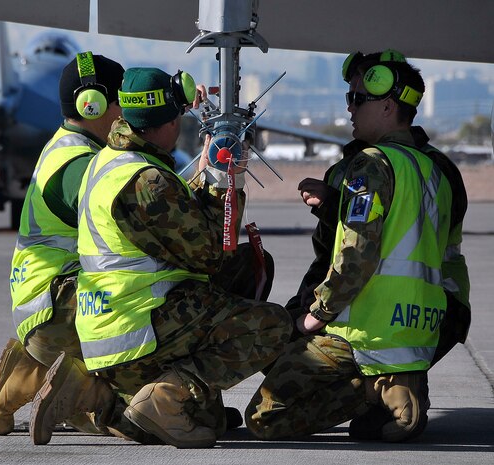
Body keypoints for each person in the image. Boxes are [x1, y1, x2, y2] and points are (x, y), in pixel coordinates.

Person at [29, 67, 292, 448]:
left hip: (105, 333)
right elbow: (209, 254)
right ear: (163, 122)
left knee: (209, 420)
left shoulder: (109, 161)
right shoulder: (146, 180)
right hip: (141, 329)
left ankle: (91, 390)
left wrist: (200, 179)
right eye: (176, 119)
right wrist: (222, 183)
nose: (179, 127)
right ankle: (165, 395)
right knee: (271, 325)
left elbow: (169, 220)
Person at [245, 52, 468, 442]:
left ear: (386, 106)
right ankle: (398, 387)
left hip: (364, 328)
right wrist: (336, 203)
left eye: (357, 99)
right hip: (423, 328)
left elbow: (356, 256)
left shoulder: (370, 165)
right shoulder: (437, 170)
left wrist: (314, 316)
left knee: (266, 414)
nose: (349, 107)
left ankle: (373, 390)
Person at [0, 52, 127, 437]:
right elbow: (139, 221)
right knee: (142, 407)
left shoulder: (67, 147)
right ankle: (80, 390)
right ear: (94, 105)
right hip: (60, 308)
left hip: (42, 306)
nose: (128, 109)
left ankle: (28, 372)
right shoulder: (80, 165)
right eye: (123, 99)